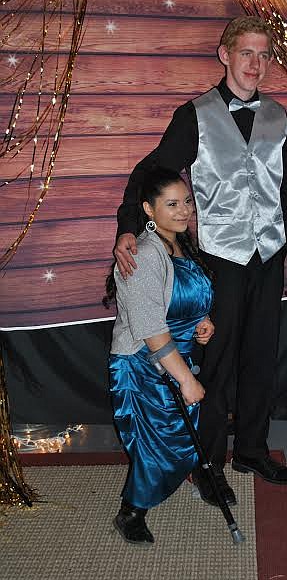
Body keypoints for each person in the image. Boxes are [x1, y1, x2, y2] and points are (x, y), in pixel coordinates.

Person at [114, 16, 287, 508]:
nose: (256, 64)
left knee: (262, 355)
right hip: (221, 257)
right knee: (217, 364)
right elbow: (150, 172)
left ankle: (252, 450)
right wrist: (127, 227)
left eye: (264, 55)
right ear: (224, 55)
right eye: (247, 53)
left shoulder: (277, 116)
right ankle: (211, 465)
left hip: (269, 254)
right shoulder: (194, 114)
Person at [105, 166, 214, 545]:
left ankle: (193, 473)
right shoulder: (144, 255)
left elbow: (182, 299)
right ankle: (131, 510)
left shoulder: (181, 245)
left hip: (179, 355)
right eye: (172, 204)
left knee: (182, 435)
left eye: (186, 201)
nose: (184, 210)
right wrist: (186, 379)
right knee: (154, 443)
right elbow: (151, 330)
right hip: (144, 365)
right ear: (148, 210)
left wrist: (204, 321)